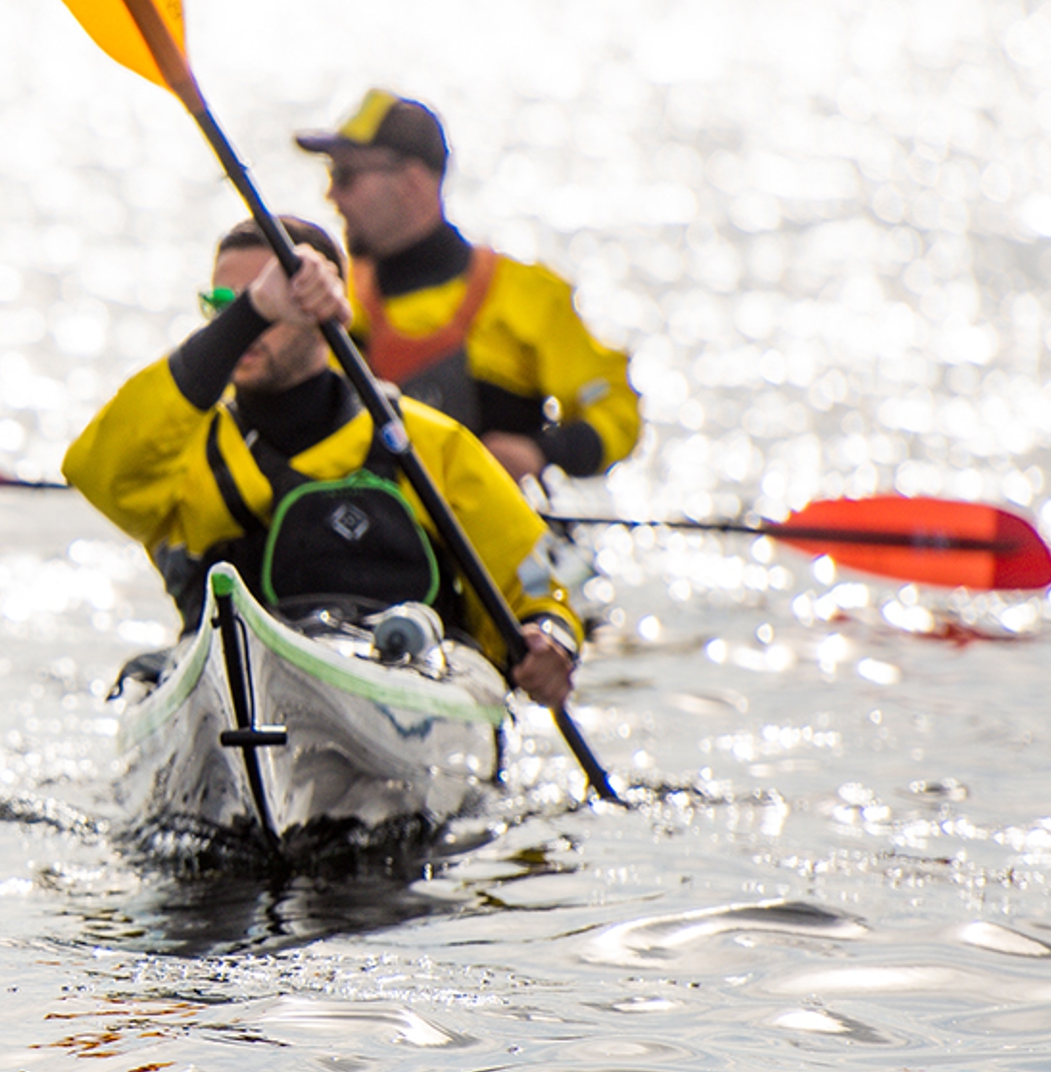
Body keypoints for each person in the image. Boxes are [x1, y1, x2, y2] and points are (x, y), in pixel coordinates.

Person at [62, 215, 582, 708]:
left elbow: (534, 581)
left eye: (268, 301)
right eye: (224, 305)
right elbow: (95, 471)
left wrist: (550, 635)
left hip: (403, 691)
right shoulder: (181, 449)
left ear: (320, 307)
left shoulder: (432, 445)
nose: (243, 322)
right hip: (236, 697)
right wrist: (252, 314)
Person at [298, 90, 639, 484]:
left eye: (346, 177)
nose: (331, 195)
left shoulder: (527, 294)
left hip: (487, 530)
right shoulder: (331, 296)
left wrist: (541, 451)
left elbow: (616, 408)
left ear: (411, 182)